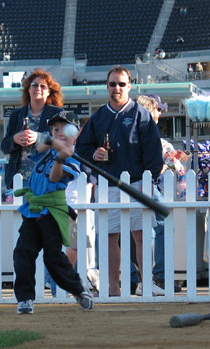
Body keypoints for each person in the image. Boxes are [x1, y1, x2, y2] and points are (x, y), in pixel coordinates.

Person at [76, 66, 164, 297]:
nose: (117, 88)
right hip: (107, 185)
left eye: (122, 84)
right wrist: (94, 155)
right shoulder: (98, 117)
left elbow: (154, 151)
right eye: (113, 84)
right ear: (107, 86)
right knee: (109, 237)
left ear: (130, 86)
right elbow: (82, 149)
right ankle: (113, 288)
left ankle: (146, 284)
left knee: (141, 236)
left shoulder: (140, 114)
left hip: (137, 183)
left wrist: (150, 179)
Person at [13, 110, 94, 314]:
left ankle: (78, 290)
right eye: (55, 129)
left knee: (53, 258)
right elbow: (40, 146)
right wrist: (53, 143)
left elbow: (54, 178)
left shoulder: (73, 159)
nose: (59, 133)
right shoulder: (47, 149)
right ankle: (25, 298)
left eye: (65, 129)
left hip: (53, 212)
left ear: (76, 133)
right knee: (23, 252)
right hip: (33, 210)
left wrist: (60, 158)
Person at [136, 94, 185, 294]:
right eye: (157, 110)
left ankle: (139, 277)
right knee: (160, 227)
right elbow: (168, 164)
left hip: (137, 185)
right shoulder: (152, 137)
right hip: (148, 186)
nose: (159, 114)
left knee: (140, 232)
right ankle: (160, 276)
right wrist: (167, 164)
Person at [0, 68, 63, 190]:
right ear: (28, 89)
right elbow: (4, 146)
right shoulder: (16, 115)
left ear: (49, 91)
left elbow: (64, 142)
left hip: (46, 179)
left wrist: (39, 137)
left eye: (43, 86)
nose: (38, 88)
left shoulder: (58, 114)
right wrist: (14, 139)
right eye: (34, 85)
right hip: (19, 181)